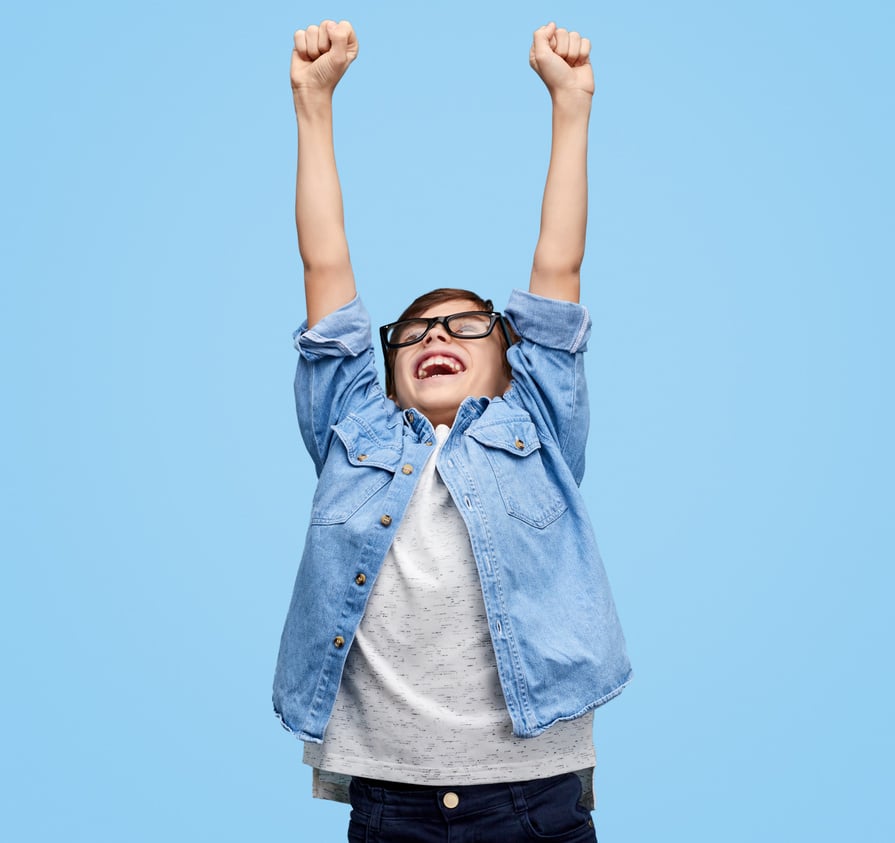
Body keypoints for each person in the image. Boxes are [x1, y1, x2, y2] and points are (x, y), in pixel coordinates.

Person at [273, 19, 631, 843]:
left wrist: (569, 106)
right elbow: (324, 272)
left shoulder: (535, 422)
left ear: (513, 363)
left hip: (532, 795)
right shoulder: (351, 427)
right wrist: (312, 105)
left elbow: (557, 271)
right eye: (416, 331)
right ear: (387, 363)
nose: (436, 337)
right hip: (388, 800)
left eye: (467, 328)